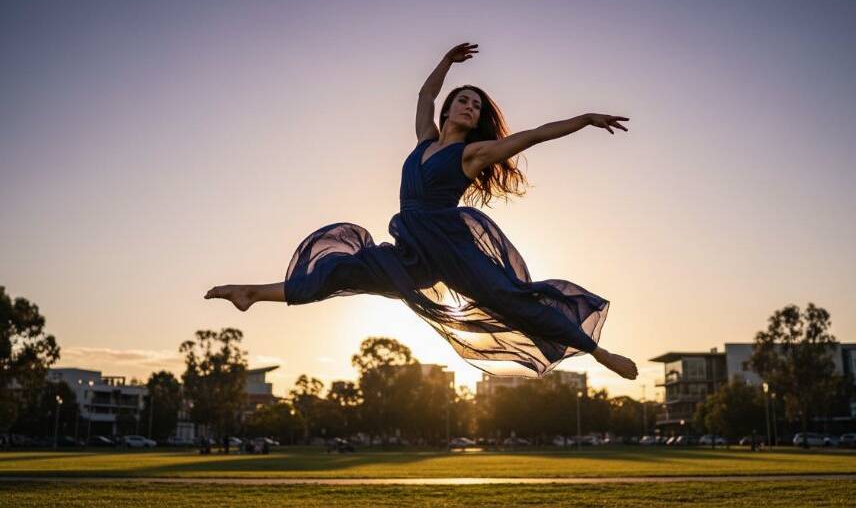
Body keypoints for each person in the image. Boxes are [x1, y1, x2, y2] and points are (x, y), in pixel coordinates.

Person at [205, 42, 638, 381]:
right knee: (339, 272)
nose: (471, 107)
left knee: (511, 299)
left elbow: (533, 136)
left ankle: (599, 352)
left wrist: (584, 118)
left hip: (452, 249)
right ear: (450, 109)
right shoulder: (423, 140)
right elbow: (424, 93)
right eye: (464, 101)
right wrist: (447, 60)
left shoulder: (473, 154)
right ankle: (251, 294)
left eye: (477, 106)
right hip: (411, 252)